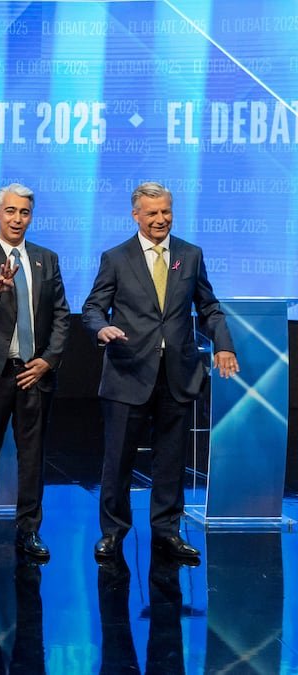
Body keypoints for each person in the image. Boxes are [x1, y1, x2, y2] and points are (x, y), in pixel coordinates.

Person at [82, 181, 238, 565]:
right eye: (152, 213)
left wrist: (223, 344)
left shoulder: (190, 255)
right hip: (128, 372)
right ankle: (113, 533)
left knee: (170, 460)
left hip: (177, 374)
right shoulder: (116, 258)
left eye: (166, 211)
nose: (160, 219)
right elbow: (93, 308)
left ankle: (167, 532)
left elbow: (209, 307)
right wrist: (102, 328)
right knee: (118, 460)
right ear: (135, 215)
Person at [0, 184, 70, 563]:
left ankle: (29, 529)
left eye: (24, 212)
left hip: (34, 371)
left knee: (33, 455)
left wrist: (48, 360)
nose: (17, 219)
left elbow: (60, 315)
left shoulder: (46, 259)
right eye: (10, 211)